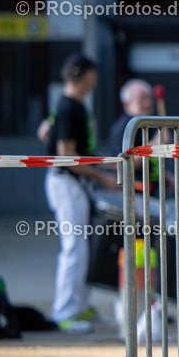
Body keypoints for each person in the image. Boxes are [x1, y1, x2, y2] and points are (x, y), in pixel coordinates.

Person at [45, 54, 119, 333]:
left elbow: (48, 134)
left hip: (74, 185)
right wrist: (102, 177)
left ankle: (79, 305)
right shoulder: (68, 107)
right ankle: (63, 311)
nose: (96, 79)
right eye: (93, 74)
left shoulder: (70, 106)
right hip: (66, 184)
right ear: (85, 75)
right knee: (74, 248)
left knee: (85, 248)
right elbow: (67, 156)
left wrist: (106, 164)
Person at [107, 79, 154, 155]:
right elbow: (123, 162)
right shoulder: (124, 128)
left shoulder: (151, 125)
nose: (148, 104)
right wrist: (154, 145)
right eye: (142, 99)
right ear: (127, 103)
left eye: (149, 98)